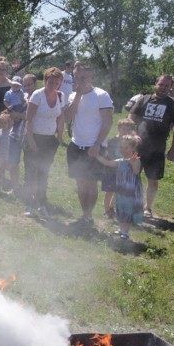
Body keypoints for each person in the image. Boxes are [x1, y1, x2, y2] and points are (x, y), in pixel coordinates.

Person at [129, 74, 174, 218]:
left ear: (170, 87)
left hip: (158, 149)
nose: (163, 88)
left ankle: (147, 208)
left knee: (153, 180)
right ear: (155, 84)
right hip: (138, 147)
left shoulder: (173, 104)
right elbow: (130, 119)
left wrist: (173, 149)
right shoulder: (144, 99)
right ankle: (132, 205)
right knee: (132, 177)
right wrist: (133, 135)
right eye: (161, 84)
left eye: (167, 86)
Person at [65, 62, 113, 227]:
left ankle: (88, 216)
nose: (80, 80)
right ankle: (84, 215)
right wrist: (78, 95)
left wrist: (98, 144)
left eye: (83, 77)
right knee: (80, 181)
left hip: (94, 147)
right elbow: (68, 117)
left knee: (90, 183)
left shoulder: (101, 95)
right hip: (76, 145)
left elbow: (107, 122)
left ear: (91, 76)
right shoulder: (73, 95)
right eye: (77, 77)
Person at [23, 67, 64, 219]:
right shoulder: (37, 95)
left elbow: (60, 117)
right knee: (30, 172)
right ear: (45, 80)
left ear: (59, 83)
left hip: (49, 141)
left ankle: (42, 204)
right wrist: (32, 141)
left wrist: (59, 135)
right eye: (50, 81)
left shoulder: (60, 96)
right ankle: (28, 204)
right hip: (33, 137)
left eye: (56, 82)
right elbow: (29, 119)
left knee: (43, 173)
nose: (53, 84)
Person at [94, 135, 144, 240]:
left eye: (126, 148)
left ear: (133, 149)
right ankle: (122, 229)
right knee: (120, 209)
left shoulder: (136, 160)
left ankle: (125, 232)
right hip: (121, 190)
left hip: (131, 191)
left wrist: (133, 162)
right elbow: (107, 163)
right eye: (121, 147)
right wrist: (97, 156)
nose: (123, 150)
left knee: (128, 210)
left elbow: (136, 172)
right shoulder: (120, 160)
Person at [101, 118, 137, 218]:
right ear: (118, 128)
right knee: (109, 191)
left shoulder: (131, 143)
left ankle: (112, 207)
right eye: (123, 129)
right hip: (110, 171)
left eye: (128, 130)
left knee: (119, 191)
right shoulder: (112, 141)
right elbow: (106, 154)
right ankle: (106, 210)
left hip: (123, 172)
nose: (125, 131)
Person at [0, 111, 13, 189]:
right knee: (0, 167)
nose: (3, 125)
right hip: (0, 153)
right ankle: (0, 179)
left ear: (9, 123)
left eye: (5, 123)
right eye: (2, 123)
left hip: (8, 153)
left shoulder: (11, 132)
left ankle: (11, 180)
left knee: (9, 167)